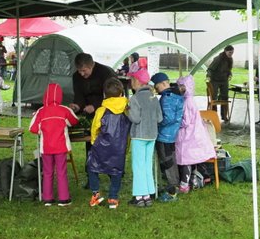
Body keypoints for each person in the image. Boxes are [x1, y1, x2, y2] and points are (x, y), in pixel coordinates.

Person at [29, 82, 79, 207]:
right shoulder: (64, 110)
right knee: (61, 172)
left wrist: (41, 129)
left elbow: (32, 128)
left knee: (47, 172)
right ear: (60, 96)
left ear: (45, 95)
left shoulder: (41, 111)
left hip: (46, 148)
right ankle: (64, 198)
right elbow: (74, 121)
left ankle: (48, 198)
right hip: (61, 147)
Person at [87, 77, 130, 210]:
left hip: (101, 145)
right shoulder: (127, 109)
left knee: (92, 167)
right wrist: (126, 146)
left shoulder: (101, 110)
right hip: (119, 147)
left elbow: (95, 128)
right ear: (122, 93)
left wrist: (94, 142)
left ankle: (95, 193)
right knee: (117, 171)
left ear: (104, 94)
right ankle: (113, 198)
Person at [174, 75, 216, 193]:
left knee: (186, 159)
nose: (179, 89)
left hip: (188, 135)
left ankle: (184, 184)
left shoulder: (187, 102)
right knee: (193, 158)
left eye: (181, 86)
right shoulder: (190, 100)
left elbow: (186, 121)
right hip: (195, 133)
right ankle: (199, 179)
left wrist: (176, 122)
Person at [126, 68, 161, 207]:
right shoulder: (154, 98)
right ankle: (147, 195)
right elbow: (159, 118)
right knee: (147, 165)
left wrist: (127, 111)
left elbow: (135, 118)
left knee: (138, 165)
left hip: (139, 135)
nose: (130, 83)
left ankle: (139, 197)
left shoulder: (134, 98)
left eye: (132, 80)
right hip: (152, 135)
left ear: (137, 82)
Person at [151, 72, 184, 201]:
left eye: (157, 87)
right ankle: (173, 185)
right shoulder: (176, 95)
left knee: (167, 162)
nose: (157, 90)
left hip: (164, 135)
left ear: (163, 84)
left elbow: (168, 118)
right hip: (172, 134)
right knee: (171, 160)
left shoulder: (167, 97)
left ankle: (172, 190)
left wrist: (157, 123)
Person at [206, 45, 234, 119]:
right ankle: (214, 115)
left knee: (225, 97)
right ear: (225, 51)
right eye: (230, 52)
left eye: (232, 52)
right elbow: (210, 69)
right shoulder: (218, 59)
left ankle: (224, 116)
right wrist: (208, 77)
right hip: (215, 80)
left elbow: (228, 69)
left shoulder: (230, 59)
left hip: (224, 80)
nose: (231, 54)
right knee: (214, 98)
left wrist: (229, 73)